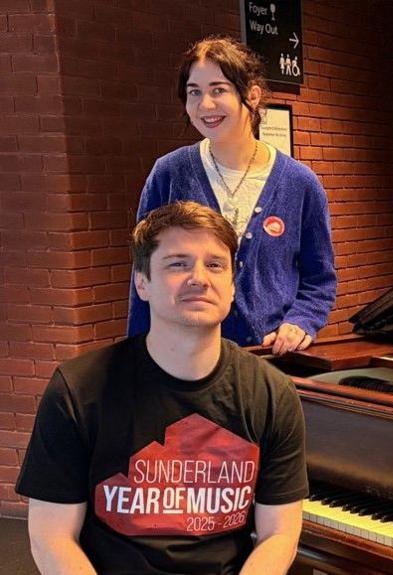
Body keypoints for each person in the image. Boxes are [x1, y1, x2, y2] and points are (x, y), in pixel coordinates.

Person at [17, 202, 308, 574]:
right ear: (142, 282)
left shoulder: (272, 393)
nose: (198, 278)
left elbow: (279, 534)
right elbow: (51, 536)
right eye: (177, 263)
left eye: (214, 265)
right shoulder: (77, 389)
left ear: (232, 285)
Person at [128, 36, 336, 356]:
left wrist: (302, 320)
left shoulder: (300, 183)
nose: (205, 105)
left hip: (269, 357)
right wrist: (138, 356)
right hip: (185, 357)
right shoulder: (169, 173)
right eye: (194, 92)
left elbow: (319, 279)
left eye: (218, 90)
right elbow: (144, 273)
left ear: (251, 95)